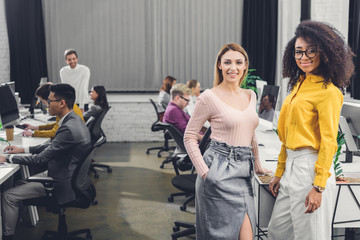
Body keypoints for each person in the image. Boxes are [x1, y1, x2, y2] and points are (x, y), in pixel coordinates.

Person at [267, 20, 354, 240]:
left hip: (310, 169)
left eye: (310, 51)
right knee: (277, 232)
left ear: (323, 53)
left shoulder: (328, 92)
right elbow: (287, 137)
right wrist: (279, 172)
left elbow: (329, 141)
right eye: (298, 52)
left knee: (310, 236)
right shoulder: (298, 85)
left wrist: (319, 186)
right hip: (291, 168)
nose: (303, 57)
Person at [184, 43, 270, 240]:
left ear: (245, 66)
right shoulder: (208, 97)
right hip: (218, 170)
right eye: (228, 62)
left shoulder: (251, 95)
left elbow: (250, 133)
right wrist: (206, 173)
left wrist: (257, 165)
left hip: (243, 174)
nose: (233, 67)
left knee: (248, 235)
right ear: (220, 66)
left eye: (238, 62)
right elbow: (189, 136)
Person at [0, 84, 92, 240]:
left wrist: (7, 158)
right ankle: (17, 221)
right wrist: (23, 150)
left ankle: (8, 237)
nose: (46, 104)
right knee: (20, 182)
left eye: (49, 101)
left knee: (8, 196)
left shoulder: (68, 128)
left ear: (61, 103)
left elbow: (40, 159)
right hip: (70, 175)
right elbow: (51, 146)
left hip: (61, 182)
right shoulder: (73, 119)